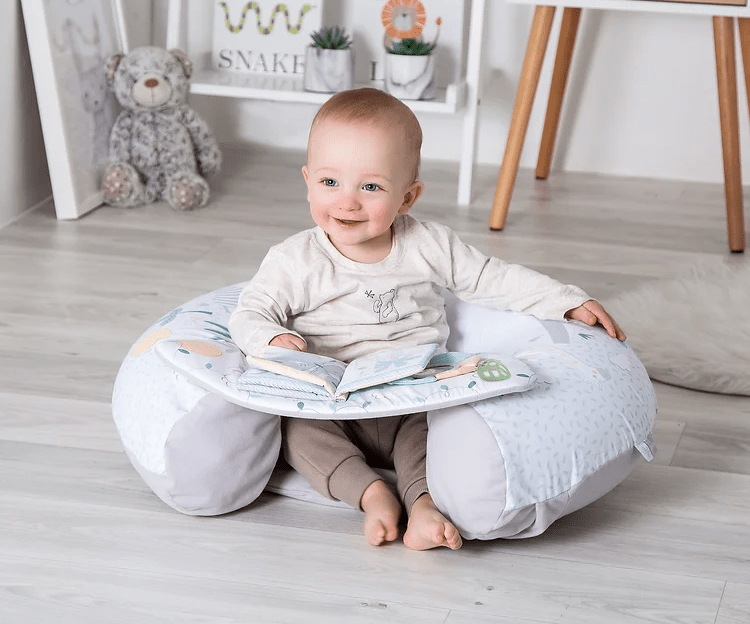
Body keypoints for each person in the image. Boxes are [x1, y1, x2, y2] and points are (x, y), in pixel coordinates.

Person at [228, 88, 625, 551]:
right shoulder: (295, 260)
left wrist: (563, 301)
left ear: (407, 197)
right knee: (296, 431)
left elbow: (490, 278)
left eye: (371, 187)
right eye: (329, 182)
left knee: (435, 432)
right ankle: (372, 494)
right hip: (333, 401)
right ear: (307, 180)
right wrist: (273, 336)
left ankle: (421, 505)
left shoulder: (428, 245)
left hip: (410, 392)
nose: (348, 202)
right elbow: (250, 311)